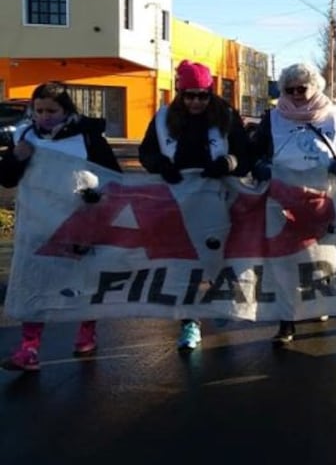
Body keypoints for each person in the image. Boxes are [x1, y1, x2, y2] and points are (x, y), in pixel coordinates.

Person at [0, 81, 122, 372]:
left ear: (66, 110)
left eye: (51, 110)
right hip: (37, 225)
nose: (44, 116)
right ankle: (28, 348)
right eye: (39, 110)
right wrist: (16, 158)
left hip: (80, 222)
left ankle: (86, 333)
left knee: (84, 281)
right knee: (33, 283)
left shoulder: (88, 138)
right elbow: (6, 179)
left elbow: (113, 175)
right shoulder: (24, 135)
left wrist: (98, 194)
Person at [138, 60, 252, 353]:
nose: (196, 102)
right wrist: (160, 164)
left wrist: (229, 163)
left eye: (202, 95)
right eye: (189, 95)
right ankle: (190, 321)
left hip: (218, 199)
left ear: (210, 93)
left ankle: (218, 305)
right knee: (184, 263)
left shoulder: (225, 116)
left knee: (217, 259)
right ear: (180, 92)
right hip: (178, 200)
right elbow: (146, 151)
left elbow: (244, 153)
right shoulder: (164, 117)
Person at [250, 62, 336, 346]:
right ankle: (287, 321)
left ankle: (317, 304)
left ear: (316, 87)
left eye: (303, 88)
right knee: (285, 261)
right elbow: (253, 151)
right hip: (282, 200)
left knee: (322, 259)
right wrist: (258, 165)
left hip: (325, 200)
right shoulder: (272, 118)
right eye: (290, 89)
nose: (297, 94)